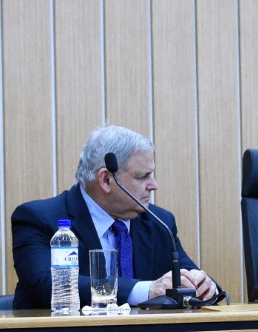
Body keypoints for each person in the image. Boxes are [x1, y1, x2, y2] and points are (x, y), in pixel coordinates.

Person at [11, 125, 219, 309]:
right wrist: (145, 291)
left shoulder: (159, 222)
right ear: (106, 179)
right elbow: (45, 284)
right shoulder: (39, 218)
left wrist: (203, 286)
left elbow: (193, 279)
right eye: (143, 176)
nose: (154, 185)